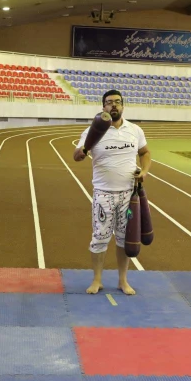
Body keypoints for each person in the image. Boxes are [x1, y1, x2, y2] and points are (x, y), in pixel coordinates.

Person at [73, 90, 151, 296]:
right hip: (103, 194)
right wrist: (82, 152)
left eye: (118, 102)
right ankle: (97, 280)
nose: (114, 105)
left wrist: (144, 171)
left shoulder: (134, 130)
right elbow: (77, 155)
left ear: (123, 105)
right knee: (99, 237)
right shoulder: (93, 131)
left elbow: (145, 153)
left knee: (124, 238)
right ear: (103, 107)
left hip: (129, 195)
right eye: (109, 103)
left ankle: (122, 281)